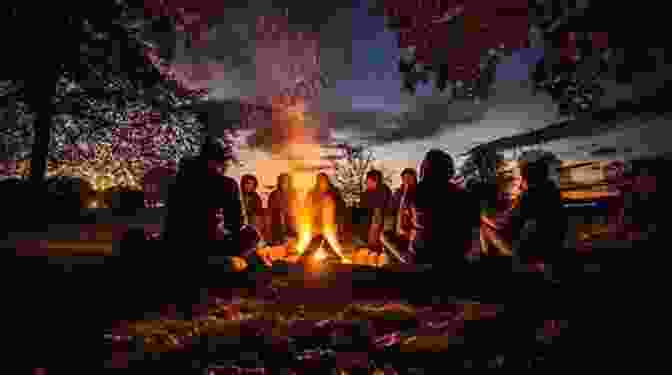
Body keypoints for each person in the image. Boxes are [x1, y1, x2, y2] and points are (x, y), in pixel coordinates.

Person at [163, 136, 243, 253]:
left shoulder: (177, 180)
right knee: (251, 235)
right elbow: (235, 222)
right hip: (208, 244)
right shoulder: (227, 184)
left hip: (174, 241)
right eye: (224, 162)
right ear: (217, 162)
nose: (226, 166)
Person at [410, 149, 480, 266]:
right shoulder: (464, 194)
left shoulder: (420, 191)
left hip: (427, 254)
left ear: (425, 168)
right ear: (449, 169)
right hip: (458, 253)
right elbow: (474, 228)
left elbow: (418, 225)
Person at [508, 156, 567, 271]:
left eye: (523, 176)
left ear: (528, 177)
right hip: (556, 240)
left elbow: (515, 220)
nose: (522, 179)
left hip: (537, 245)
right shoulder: (553, 190)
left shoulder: (529, 194)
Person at [383, 168, 418, 259]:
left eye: (410, 178)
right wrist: (388, 227)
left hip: (413, 230)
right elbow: (391, 210)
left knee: (411, 254)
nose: (407, 181)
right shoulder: (398, 193)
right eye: (405, 178)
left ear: (415, 179)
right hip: (398, 228)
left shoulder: (419, 192)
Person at [358, 169, 391, 253]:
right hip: (366, 229)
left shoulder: (382, 192)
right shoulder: (366, 194)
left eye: (368, 180)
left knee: (375, 251)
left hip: (376, 230)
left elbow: (377, 215)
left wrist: (373, 236)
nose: (366, 182)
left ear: (375, 180)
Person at [267, 173, 298, 245]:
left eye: (286, 181)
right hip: (278, 223)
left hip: (291, 222)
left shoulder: (293, 193)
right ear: (279, 182)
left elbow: (296, 207)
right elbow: (270, 210)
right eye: (282, 181)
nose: (284, 183)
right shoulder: (274, 194)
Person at [240, 174, 265, 239]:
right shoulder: (237, 194)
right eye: (247, 183)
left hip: (251, 220)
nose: (249, 186)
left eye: (252, 184)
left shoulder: (256, 197)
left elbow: (258, 211)